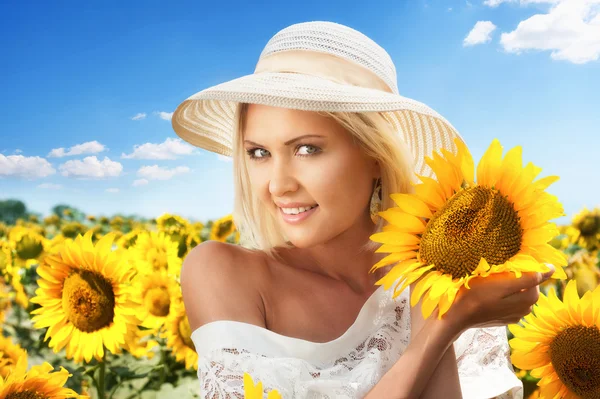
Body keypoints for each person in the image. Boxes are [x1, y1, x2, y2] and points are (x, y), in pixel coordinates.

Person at [172, 20, 552, 399]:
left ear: (375, 153)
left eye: (307, 149)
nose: (278, 185)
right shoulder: (222, 272)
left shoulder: (448, 277)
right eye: (259, 153)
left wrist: (435, 297)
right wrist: (443, 326)